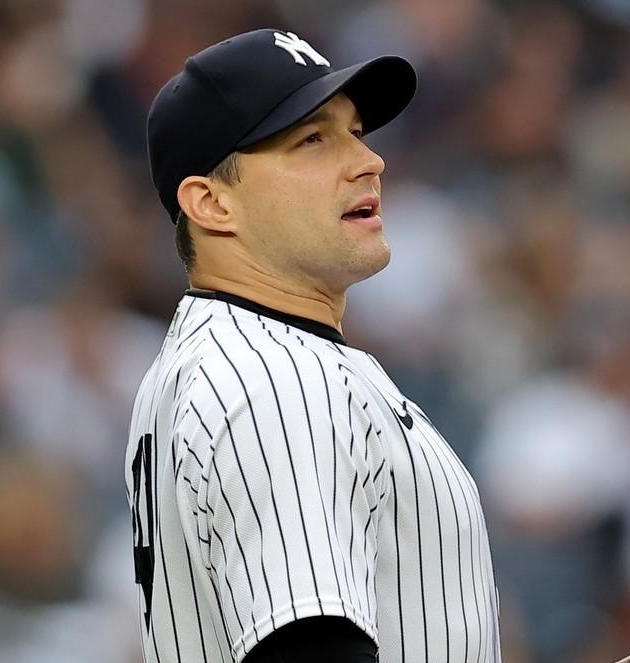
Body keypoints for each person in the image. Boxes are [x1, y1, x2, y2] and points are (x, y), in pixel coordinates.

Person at [125, 28, 501, 663]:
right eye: (313, 138)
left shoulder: (233, 359)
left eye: (355, 131)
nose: (368, 160)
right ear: (213, 204)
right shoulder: (271, 376)